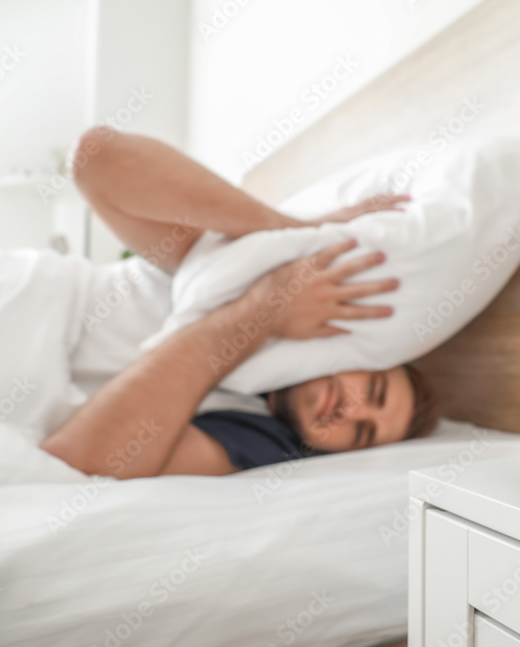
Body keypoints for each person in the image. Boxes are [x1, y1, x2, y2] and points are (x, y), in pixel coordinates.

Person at [39, 128, 440, 480]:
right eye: (371, 391)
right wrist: (298, 232)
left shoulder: (263, 438)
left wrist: (265, 311)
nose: (350, 413)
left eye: (362, 434)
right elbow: (97, 157)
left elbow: (84, 465)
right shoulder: (239, 265)